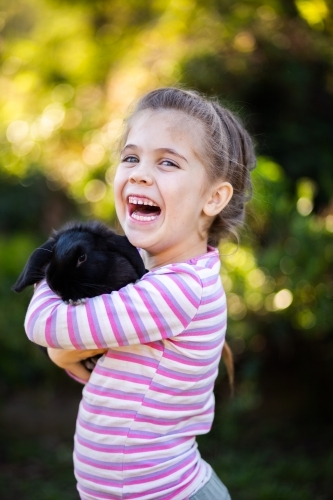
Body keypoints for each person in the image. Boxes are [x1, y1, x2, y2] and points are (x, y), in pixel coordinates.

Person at [24, 87, 256, 500]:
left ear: (214, 197)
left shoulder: (178, 290)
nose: (140, 173)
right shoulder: (154, 280)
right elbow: (96, 370)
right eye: (131, 157)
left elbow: (44, 326)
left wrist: (50, 265)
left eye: (167, 162)